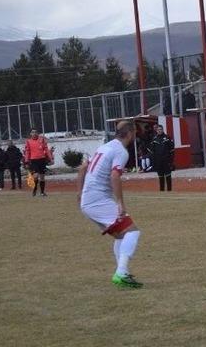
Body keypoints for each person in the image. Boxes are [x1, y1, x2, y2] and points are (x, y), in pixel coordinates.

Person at [77, 120, 143, 288]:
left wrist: (80, 194)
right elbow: (115, 176)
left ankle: (122, 273)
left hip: (89, 200)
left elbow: (83, 168)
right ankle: (121, 272)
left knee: (121, 235)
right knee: (133, 232)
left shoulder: (104, 147)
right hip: (97, 200)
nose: (135, 136)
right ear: (129, 133)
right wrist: (120, 202)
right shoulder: (121, 151)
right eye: (134, 132)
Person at [24, 128, 53, 197]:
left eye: (35, 132)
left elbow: (46, 149)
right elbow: (27, 152)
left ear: (37, 133)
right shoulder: (28, 141)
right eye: (32, 132)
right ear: (30, 134)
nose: (34, 133)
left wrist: (50, 158)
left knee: (42, 177)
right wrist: (26, 161)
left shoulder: (42, 140)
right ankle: (35, 189)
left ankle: (42, 192)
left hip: (42, 160)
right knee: (36, 176)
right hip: (34, 161)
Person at [149, 124, 174, 192]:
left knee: (168, 176)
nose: (159, 131)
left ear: (163, 130)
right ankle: (161, 192)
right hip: (158, 161)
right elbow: (152, 152)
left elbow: (172, 150)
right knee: (161, 177)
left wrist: (171, 161)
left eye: (161, 129)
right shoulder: (154, 139)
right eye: (158, 130)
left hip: (166, 160)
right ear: (156, 131)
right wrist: (154, 163)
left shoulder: (167, 138)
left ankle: (169, 191)